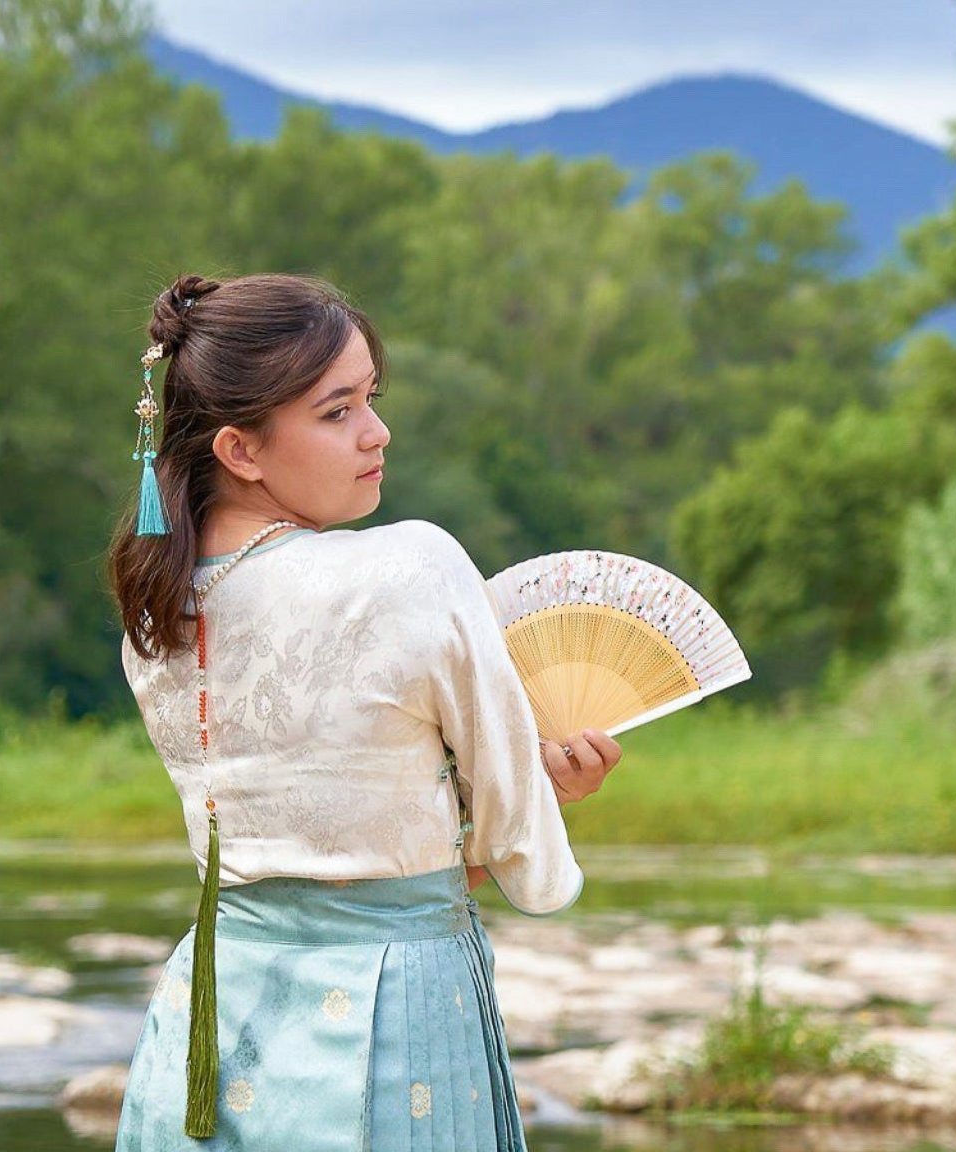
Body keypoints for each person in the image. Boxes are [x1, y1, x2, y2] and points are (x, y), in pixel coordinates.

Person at [104, 272, 621, 1151]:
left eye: (369, 400)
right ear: (241, 449)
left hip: (211, 1024)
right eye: (337, 411)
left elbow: (316, 839)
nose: (378, 434)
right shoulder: (412, 566)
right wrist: (537, 796)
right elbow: (525, 865)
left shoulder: (154, 623)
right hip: (392, 1022)